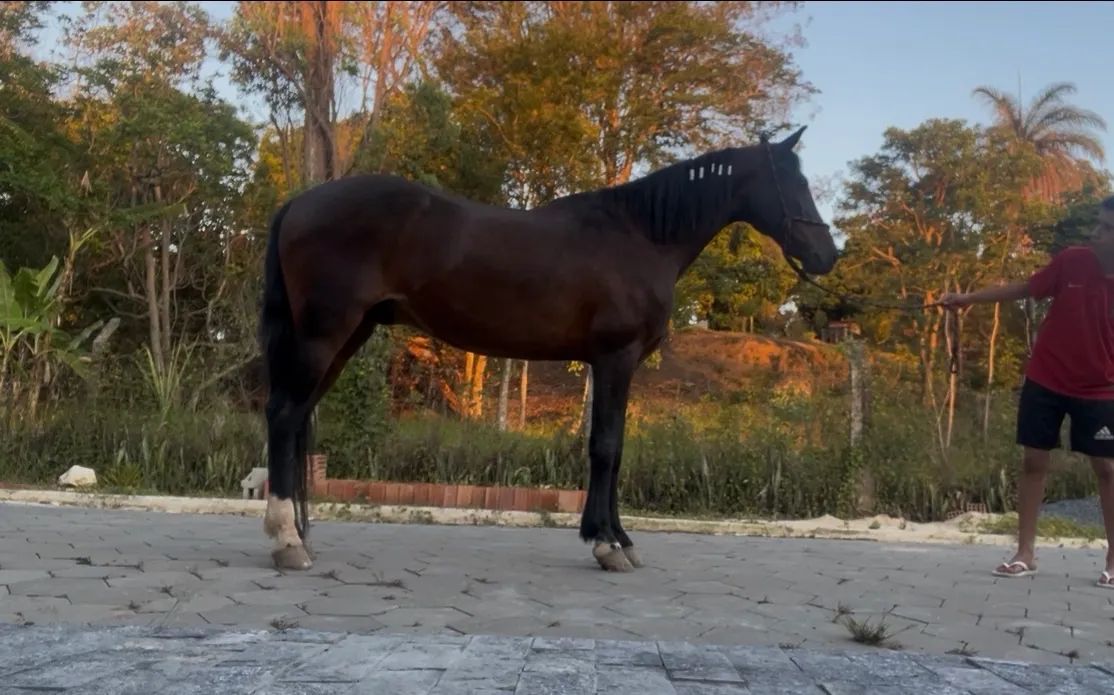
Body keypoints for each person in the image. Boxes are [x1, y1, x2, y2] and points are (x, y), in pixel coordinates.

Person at [940, 195, 1114, 588]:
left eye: (1106, 229)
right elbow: (1025, 288)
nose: (1095, 233)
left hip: (1101, 388)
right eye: (1098, 224)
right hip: (1046, 377)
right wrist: (967, 299)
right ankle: (1025, 554)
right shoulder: (1072, 260)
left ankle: (1113, 560)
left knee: (1107, 469)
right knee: (1033, 463)